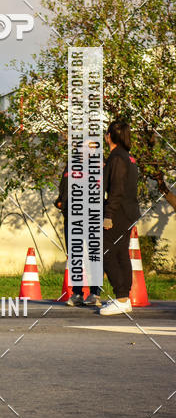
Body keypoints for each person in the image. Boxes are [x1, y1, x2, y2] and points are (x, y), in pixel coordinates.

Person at [99, 120, 140, 315]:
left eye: (106, 134)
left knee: (104, 252)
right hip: (129, 211)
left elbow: (116, 190)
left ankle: (122, 297)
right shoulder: (128, 157)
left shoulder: (117, 158)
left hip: (119, 212)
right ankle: (124, 299)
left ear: (110, 136)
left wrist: (109, 215)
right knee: (121, 253)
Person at [55, 154, 102, 307]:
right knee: (75, 256)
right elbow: (64, 187)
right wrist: (60, 201)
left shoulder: (98, 165)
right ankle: (77, 293)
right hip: (72, 217)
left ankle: (95, 293)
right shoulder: (70, 165)